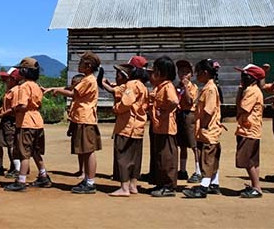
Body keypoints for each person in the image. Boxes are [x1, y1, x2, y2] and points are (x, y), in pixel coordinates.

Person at [47, 51, 103, 194]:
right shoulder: (87, 79)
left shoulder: (88, 80)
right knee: (85, 151)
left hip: (85, 119)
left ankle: (90, 182)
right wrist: (53, 89)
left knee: (89, 151)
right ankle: (87, 180)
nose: (78, 65)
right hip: (82, 118)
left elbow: (73, 93)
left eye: (80, 63)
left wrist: (57, 90)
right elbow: (73, 90)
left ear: (88, 66)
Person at [101, 57, 148, 197]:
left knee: (123, 157)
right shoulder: (143, 86)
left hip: (127, 126)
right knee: (135, 158)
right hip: (138, 126)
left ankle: (124, 188)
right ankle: (133, 185)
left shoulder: (132, 84)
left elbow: (126, 102)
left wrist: (116, 108)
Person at [4, 57, 52, 192]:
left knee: (24, 153)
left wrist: (14, 110)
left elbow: (23, 104)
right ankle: (43, 176)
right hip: (37, 121)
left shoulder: (24, 86)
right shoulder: (37, 86)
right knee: (35, 151)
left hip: (26, 122)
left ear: (25, 71)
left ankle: (21, 181)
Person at [183, 59, 222, 198]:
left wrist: (203, 126)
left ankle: (203, 187)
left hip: (208, 130)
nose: (196, 76)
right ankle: (214, 183)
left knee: (207, 158)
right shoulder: (207, 87)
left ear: (205, 73)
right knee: (211, 158)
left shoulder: (210, 89)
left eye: (198, 73)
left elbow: (208, 110)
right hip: (208, 130)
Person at [148, 56, 179, 197]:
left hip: (167, 129)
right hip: (159, 128)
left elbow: (174, 101)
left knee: (167, 158)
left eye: (155, 70)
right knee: (160, 157)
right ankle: (160, 183)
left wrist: (165, 111)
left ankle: (169, 186)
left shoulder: (167, 86)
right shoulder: (159, 87)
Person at [234, 64, 265, 198]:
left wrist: (240, 91)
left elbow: (242, 108)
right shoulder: (251, 90)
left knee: (247, 160)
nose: (242, 78)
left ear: (252, 78)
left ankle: (256, 187)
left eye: (245, 75)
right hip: (251, 129)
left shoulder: (251, 91)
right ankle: (255, 185)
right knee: (252, 160)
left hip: (248, 130)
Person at [0, 67, 21, 178]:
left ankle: (17, 169)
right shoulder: (9, 90)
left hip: (11, 121)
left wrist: (0, 114)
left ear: (13, 79)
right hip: (5, 120)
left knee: (11, 145)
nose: (5, 81)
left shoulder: (16, 91)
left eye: (7, 78)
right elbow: (6, 106)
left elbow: (13, 108)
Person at [175, 60, 200, 183]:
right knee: (182, 144)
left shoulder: (193, 87)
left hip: (190, 114)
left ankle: (198, 170)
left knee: (193, 144)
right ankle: (182, 170)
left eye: (186, 72)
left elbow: (190, 101)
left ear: (191, 74)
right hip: (180, 114)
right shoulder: (177, 86)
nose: (183, 74)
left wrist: (185, 86)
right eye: (181, 71)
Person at [66, 72, 86, 179]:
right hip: (75, 123)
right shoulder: (74, 98)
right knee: (78, 150)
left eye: (74, 83)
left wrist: (58, 91)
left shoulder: (80, 96)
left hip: (81, 122)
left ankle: (85, 172)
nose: (72, 85)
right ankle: (80, 169)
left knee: (84, 150)